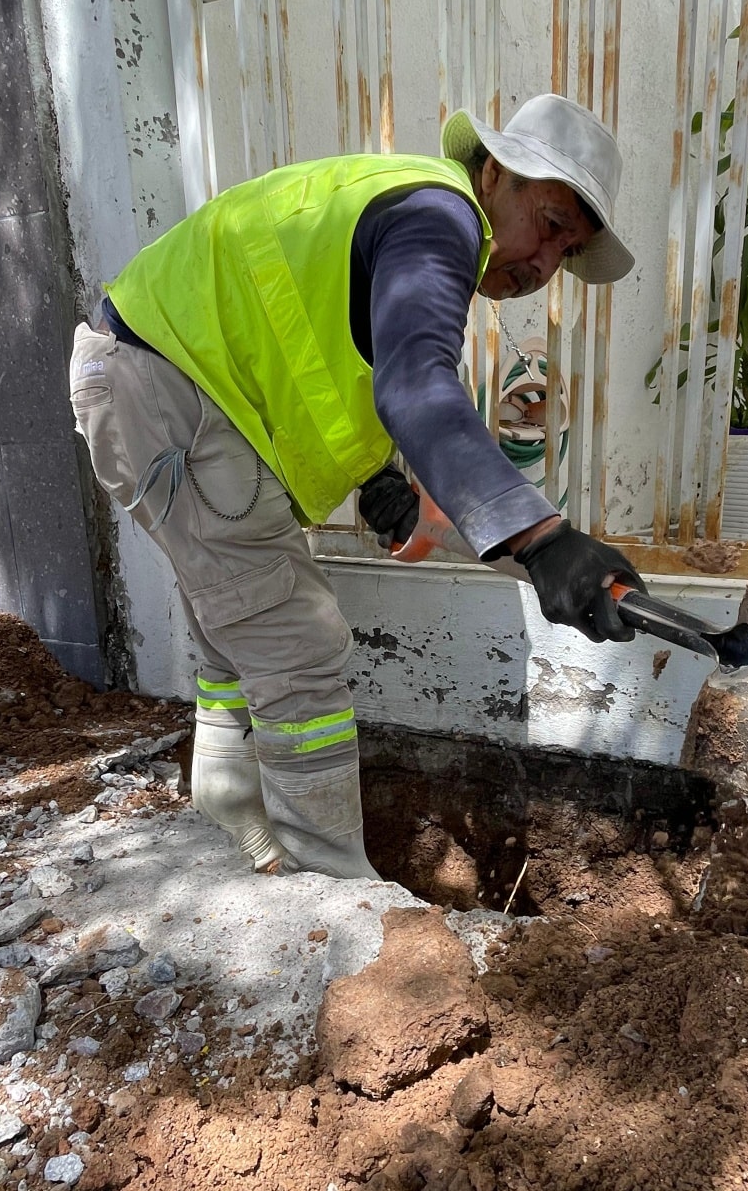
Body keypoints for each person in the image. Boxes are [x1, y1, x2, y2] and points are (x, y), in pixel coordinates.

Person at [69, 94, 644, 879]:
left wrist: (381, 481)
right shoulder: (443, 219)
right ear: (492, 174)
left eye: (566, 252)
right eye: (548, 225)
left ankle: (231, 802)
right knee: (296, 642)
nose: (545, 266)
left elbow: (320, 355)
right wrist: (542, 539)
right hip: (167, 389)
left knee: (244, 617)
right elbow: (414, 384)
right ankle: (331, 888)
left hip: (164, 382)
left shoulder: (403, 206)